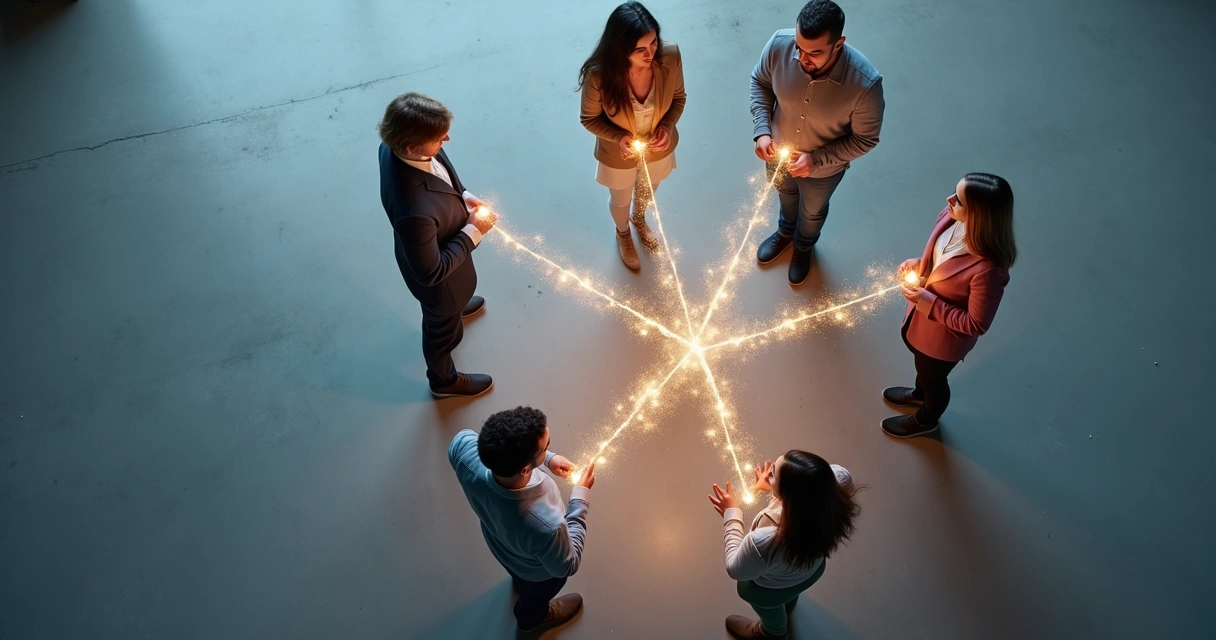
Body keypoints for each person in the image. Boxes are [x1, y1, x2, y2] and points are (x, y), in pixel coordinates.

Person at [750, 0, 885, 285]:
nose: (801, 58)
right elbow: (760, 82)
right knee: (785, 194)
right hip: (777, 157)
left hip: (822, 172)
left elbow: (865, 139)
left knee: (812, 211)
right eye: (799, 47)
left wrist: (817, 160)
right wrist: (762, 130)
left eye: (814, 52)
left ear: (838, 44)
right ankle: (785, 232)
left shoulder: (866, 86)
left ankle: (804, 246)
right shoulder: (779, 44)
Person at [378, 92, 497, 398]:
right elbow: (432, 273)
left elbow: (439, 173)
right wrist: (473, 229)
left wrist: (463, 194)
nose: (447, 138)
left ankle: (456, 307)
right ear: (411, 147)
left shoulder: (394, 148)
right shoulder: (413, 212)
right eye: (439, 138)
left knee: (451, 306)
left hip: (435, 245)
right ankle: (443, 381)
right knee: (441, 331)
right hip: (440, 286)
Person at [883, 173, 1017, 437]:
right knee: (922, 369)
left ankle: (926, 419)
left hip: (942, 342)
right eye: (954, 191)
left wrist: (927, 302)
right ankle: (919, 393)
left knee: (934, 380)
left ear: (979, 215)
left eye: (958, 199)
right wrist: (920, 262)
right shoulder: (949, 216)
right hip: (920, 325)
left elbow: (976, 323)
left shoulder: (989, 270)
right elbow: (940, 255)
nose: (949, 200)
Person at [449, 406, 598, 633]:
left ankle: (519, 582)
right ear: (525, 468)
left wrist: (548, 459)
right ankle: (533, 619)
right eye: (546, 448)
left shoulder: (463, 449)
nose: (548, 450)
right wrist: (579, 498)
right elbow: (568, 564)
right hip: (539, 574)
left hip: (501, 547)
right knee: (535, 596)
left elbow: (472, 444)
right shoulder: (546, 526)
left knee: (517, 574)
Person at [579, 1, 686, 270]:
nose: (650, 54)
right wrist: (618, 138)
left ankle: (639, 219)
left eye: (653, 43)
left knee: (648, 190)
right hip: (618, 152)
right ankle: (623, 233)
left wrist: (667, 126)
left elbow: (679, 98)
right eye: (640, 49)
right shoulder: (599, 75)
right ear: (620, 48)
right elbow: (588, 118)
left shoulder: (670, 56)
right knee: (621, 197)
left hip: (658, 147)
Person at [709, 452, 859, 639]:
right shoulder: (831, 494)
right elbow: (806, 495)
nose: (768, 472)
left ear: (788, 497)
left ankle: (771, 632)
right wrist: (774, 487)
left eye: (772, 473)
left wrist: (732, 514)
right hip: (810, 572)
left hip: (767, 591)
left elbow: (734, 569)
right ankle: (789, 601)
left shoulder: (766, 541)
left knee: (769, 609)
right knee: (789, 591)